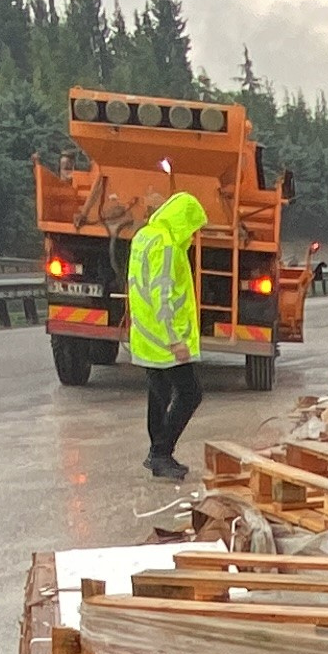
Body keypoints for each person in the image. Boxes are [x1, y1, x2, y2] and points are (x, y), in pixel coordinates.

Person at [127, 189, 207, 479]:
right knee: (190, 393)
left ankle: (157, 455)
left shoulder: (144, 236)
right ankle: (161, 452)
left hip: (145, 332)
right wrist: (175, 340)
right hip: (164, 337)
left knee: (158, 392)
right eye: (194, 227)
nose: (195, 234)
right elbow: (163, 295)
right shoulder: (167, 244)